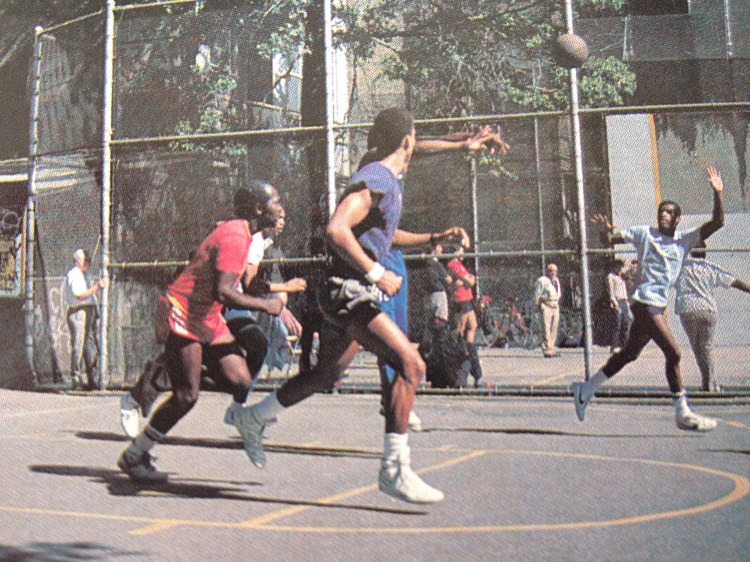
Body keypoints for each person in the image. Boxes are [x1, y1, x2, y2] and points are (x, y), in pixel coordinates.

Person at [237, 108, 493, 504]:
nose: (416, 146)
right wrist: (376, 272)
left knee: (327, 374)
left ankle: (254, 417)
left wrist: (433, 235)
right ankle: (394, 469)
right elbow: (336, 229)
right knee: (411, 364)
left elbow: (387, 229)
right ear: (405, 141)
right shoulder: (377, 178)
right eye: (413, 138)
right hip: (350, 291)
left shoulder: (382, 175)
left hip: (345, 289)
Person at [116, 180, 286, 481]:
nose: (281, 208)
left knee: (240, 380)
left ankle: (167, 375)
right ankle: (134, 455)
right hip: (184, 314)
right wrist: (266, 305)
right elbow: (224, 292)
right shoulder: (236, 237)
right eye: (275, 202)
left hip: (207, 317)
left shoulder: (243, 234)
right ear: (258, 209)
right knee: (186, 397)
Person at [119, 212, 302, 438]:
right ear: (261, 212)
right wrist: (282, 292)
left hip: (225, 306)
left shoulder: (259, 240)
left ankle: (234, 406)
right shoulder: (247, 238)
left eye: (284, 215)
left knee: (239, 366)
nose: (282, 220)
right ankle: (144, 393)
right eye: (277, 213)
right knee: (251, 346)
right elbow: (248, 284)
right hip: (217, 306)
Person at [574, 165, 725, 431]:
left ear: (678, 218)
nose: (663, 214)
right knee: (674, 353)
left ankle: (586, 389)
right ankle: (682, 412)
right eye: (661, 211)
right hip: (645, 304)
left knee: (629, 354)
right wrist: (605, 230)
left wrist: (718, 193)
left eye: (669, 212)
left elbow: (718, 222)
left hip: (657, 306)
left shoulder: (684, 240)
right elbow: (610, 238)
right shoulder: (645, 233)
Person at [675, 240, 750, 392]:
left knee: (697, 348)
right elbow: (734, 281)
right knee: (707, 347)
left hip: (688, 309)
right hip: (708, 309)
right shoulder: (710, 267)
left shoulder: (680, 267)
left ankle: (708, 383)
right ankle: (710, 383)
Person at [64, 249, 108, 390]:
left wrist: (95, 310)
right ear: (78, 262)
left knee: (89, 345)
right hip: (78, 310)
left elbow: (90, 296)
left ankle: (91, 377)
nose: (88, 263)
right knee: (78, 345)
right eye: (85, 261)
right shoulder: (74, 274)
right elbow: (79, 295)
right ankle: (76, 377)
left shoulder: (85, 275)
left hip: (88, 310)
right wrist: (97, 287)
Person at [446, 245, 483, 387]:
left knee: (472, 326)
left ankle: (470, 352)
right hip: (462, 300)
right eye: (461, 250)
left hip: (466, 298)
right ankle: (464, 360)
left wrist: (466, 280)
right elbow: (470, 281)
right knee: (460, 331)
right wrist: (468, 280)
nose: (463, 252)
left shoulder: (459, 265)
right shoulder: (454, 264)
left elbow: (467, 281)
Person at [534, 263, 562, 358]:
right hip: (546, 305)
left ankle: (551, 348)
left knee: (554, 328)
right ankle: (547, 350)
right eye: (551, 271)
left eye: (555, 271)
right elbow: (537, 294)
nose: (553, 273)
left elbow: (558, 294)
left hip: (555, 306)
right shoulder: (542, 281)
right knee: (546, 329)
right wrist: (537, 306)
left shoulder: (556, 281)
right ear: (547, 271)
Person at [607, 259, 631, 353]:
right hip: (618, 301)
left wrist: (628, 265)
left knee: (626, 324)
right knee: (617, 324)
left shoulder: (622, 276)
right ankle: (614, 346)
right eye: (619, 267)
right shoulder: (611, 276)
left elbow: (631, 271)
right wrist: (615, 304)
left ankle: (625, 346)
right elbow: (611, 292)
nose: (621, 269)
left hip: (624, 301)